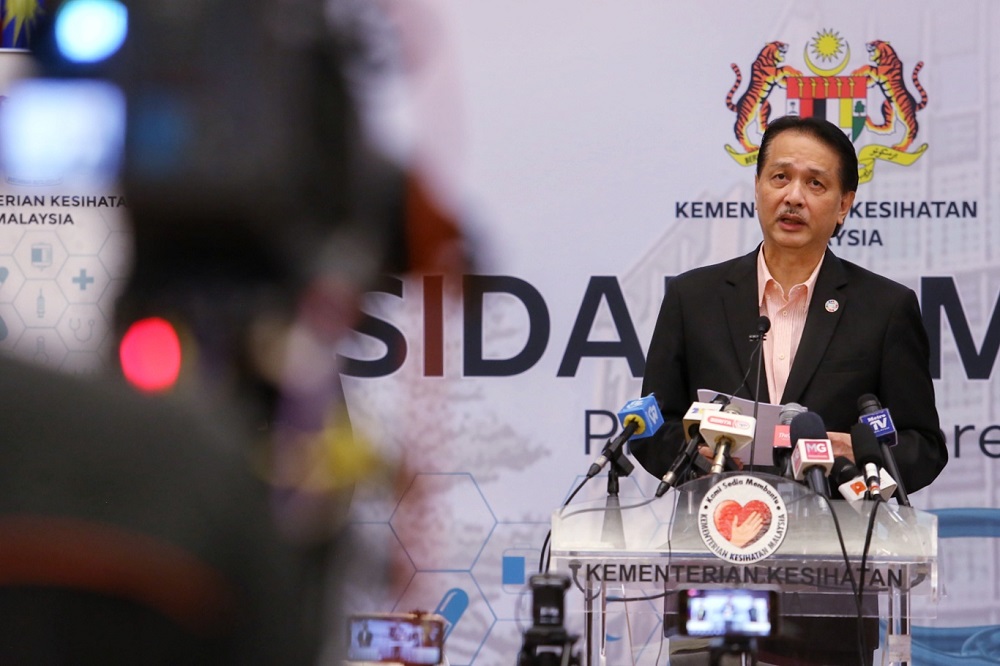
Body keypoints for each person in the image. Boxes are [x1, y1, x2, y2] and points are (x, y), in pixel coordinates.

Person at [630, 115, 948, 665]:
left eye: (815, 183)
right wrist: (695, 460)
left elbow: (922, 443)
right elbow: (652, 425)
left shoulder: (885, 309)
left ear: (845, 204)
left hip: (830, 585)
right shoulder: (693, 297)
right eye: (780, 178)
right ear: (757, 187)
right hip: (713, 565)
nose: (793, 197)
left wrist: (859, 451)